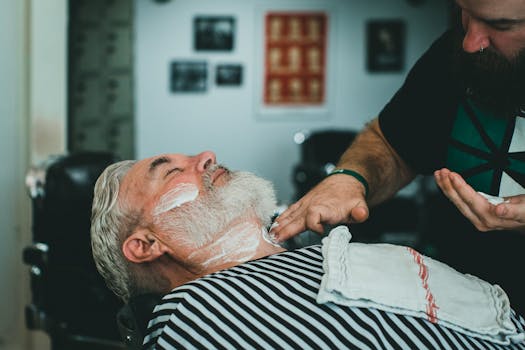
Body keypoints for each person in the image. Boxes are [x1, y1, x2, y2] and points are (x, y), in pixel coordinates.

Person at [91, 151, 525, 349]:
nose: (205, 156)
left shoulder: (316, 252)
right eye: (171, 172)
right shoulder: (190, 320)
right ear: (146, 245)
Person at [270, 0, 525, 316]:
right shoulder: (452, 52)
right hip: (449, 305)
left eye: (500, 26)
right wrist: (351, 177)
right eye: (465, 13)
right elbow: (391, 144)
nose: (470, 42)